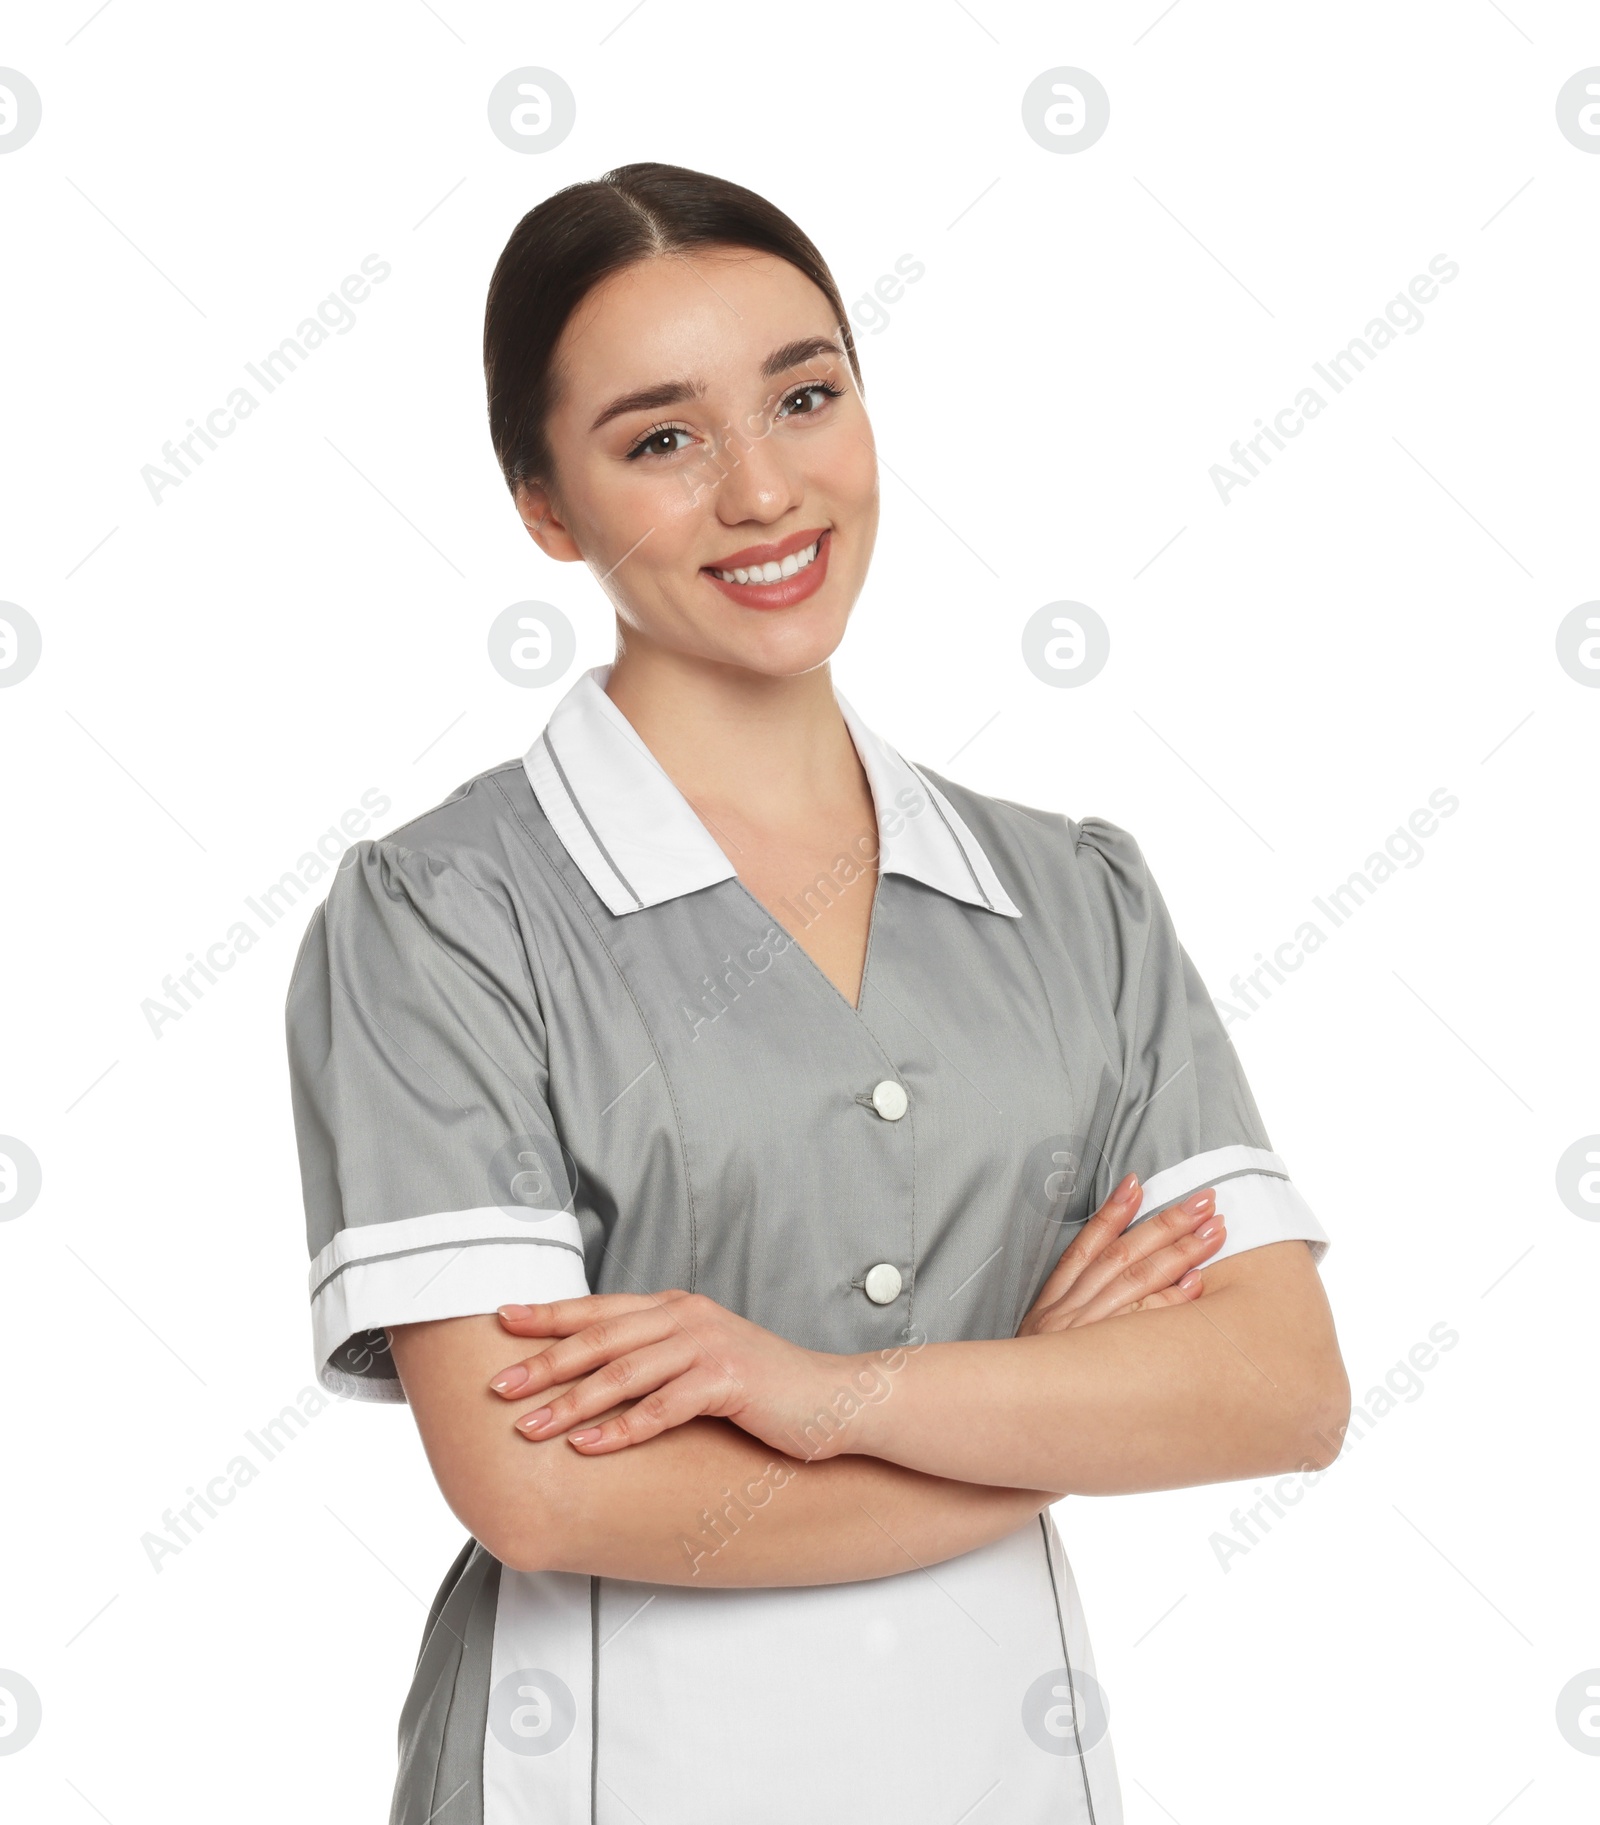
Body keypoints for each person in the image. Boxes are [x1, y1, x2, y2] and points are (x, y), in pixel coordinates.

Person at [284, 160, 1349, 1825]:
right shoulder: (444, 918)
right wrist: (1045, 1409)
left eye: (806, 394)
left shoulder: (1072, 897)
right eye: (661, 439)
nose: (765, 490)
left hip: (1007, 1764)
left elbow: (1280, 1388)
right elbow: (544, 1487)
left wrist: (802, 1389)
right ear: (543, 508)